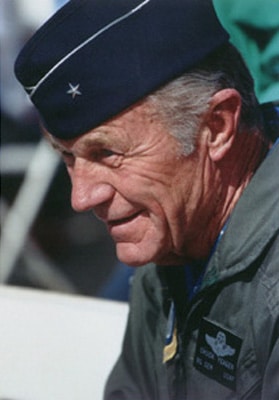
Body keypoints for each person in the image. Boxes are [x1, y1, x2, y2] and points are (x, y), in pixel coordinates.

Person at [14, 0, 278, 399]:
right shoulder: (173, 237)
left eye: (107, 153)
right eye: (67, 158)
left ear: (218, 125)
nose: (81, 197)